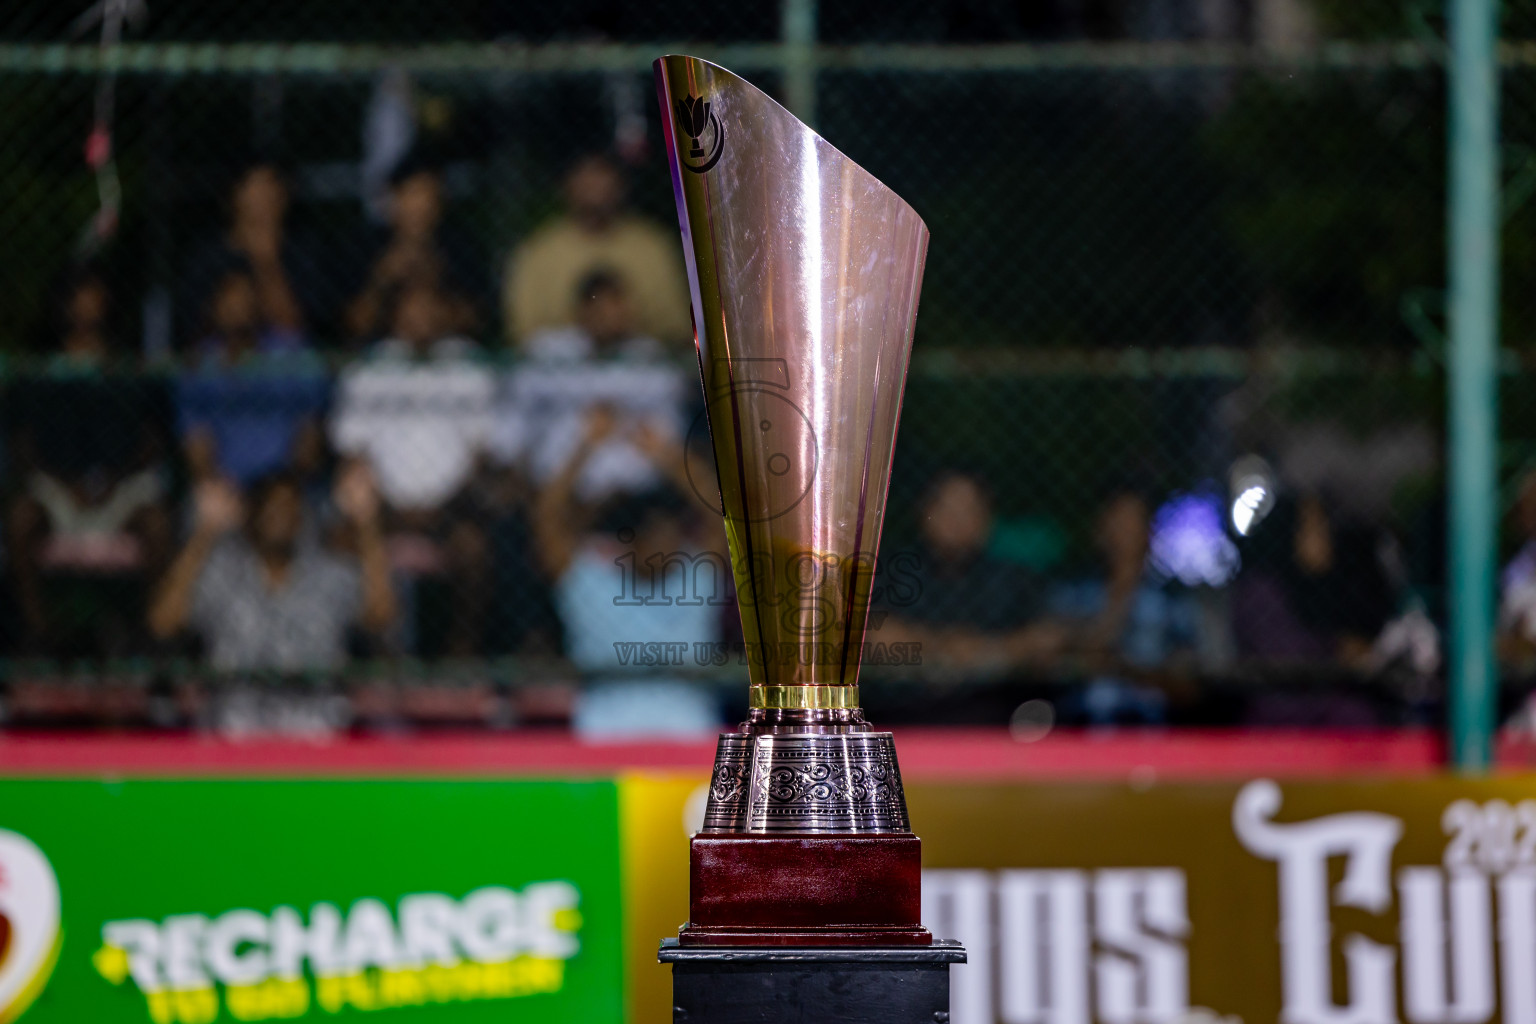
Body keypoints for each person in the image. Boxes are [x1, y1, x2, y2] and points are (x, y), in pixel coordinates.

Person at [4, 266, 172, 656]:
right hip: (57, 487)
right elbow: (22, 444)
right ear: (62, 305)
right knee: (20, 516)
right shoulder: (36, 368)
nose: (87, 307)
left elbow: (154, 439)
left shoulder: (133, 367)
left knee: (158, 521)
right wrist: (64, 482)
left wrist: (114, 478)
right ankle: (38, 632)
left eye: (95, 296)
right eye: (79, 296)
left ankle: (149, 633)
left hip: (121, 488)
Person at [329, 280, 497, 655]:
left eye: (429, 307)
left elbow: (480, 455)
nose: (420, 317)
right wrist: (382, 503)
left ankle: (461, 652)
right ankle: (376, 654)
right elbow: (352, 453)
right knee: (338, 541)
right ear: (394, 316)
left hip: (451, 504)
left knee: (473, 548)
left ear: (445, 312)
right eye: (411, 308)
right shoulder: (370, 368)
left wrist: (442, 504)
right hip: (384, 504)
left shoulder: (467, 363)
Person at [533, 407, 723, 737]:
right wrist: (586, 447)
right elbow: (547, 521)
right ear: (630, 545)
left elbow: (725, 518)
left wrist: (670, 458)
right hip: (605, 728)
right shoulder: (593, 584)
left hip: (687, 725)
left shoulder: (696, 576)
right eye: (655, 538)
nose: (666, 548)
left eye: (673, 537)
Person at [147, 464, 394, 672]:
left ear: (302, 520)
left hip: (313, 722)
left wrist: (366, 524)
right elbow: (163, 622)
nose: (280, 515)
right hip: (236, 721)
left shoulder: (328, 572)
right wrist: (204, 533)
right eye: (270, 506)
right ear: (250, 517)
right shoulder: (222, 572)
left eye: (289, 507)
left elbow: (380, 616)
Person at [495, 269, 687, 503]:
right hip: (561, 486)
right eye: (601, 307)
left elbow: (669, 427)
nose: (611, 315)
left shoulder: (650, 358)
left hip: (636, 494)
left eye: (618, 305)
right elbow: (515, 417)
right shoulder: (548, 352)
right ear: (582, 310)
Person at [875, 470, 1063, 673]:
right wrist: (945, 646)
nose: (957, 520)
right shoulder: (894, 572)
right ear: (924, 513)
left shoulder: (1015, 578)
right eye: (948, 509)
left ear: (988, 518)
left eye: (969, 509)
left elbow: (1048, 639)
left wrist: (984, 649)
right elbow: (875, 636)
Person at [502, 154, 690, 346]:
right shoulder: (538, 251)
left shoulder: (654, 246)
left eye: (603, 176)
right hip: (562, 364)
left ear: (622, 186)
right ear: (566, 185)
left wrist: (623, 327)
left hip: (639, 360)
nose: (595, 186)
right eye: (586, 176)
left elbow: (677, 325)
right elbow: (521, 329)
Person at [1049, 490, 1201, 724]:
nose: (1123, 532)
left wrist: (1127, 669)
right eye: (1116, 521)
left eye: (1132, 522)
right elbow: (1050, 658)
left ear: (1149, 532)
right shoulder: (1074, 592)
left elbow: (1189, 684)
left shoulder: (1171, 598)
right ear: (1098, 530)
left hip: (1148, 724)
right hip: (1078, 722)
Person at [177, 268, 330, 488]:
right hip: (226, 485)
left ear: (259, 303)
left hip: (286, 484)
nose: (237, 308)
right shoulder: (198, 366)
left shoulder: (292, 353)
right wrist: (213, 484)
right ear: (213, 306)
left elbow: (311, 430)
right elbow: (196, 441)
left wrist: (291, 485)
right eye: (229, 299)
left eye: (245, 298)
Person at [180, 159, 323, 344]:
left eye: (272, 186)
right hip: (218, 360)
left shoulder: (303, 250)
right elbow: (192, 329)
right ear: (234, 194)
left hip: (285, 361)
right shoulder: (206, 255)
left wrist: (266, 262)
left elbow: (293, 326)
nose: (265, 198)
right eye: (255, 187)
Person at [344, 155, 483, 342]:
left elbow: (478, 319)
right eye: (413, 194)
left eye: (429, 195)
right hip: (383, 353)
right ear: (393, 199)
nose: (421, 206)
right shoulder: (365, 245)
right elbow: (354, 324)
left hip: (449, 352)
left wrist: (435, 305)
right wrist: (382, 278)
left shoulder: (459, 245)